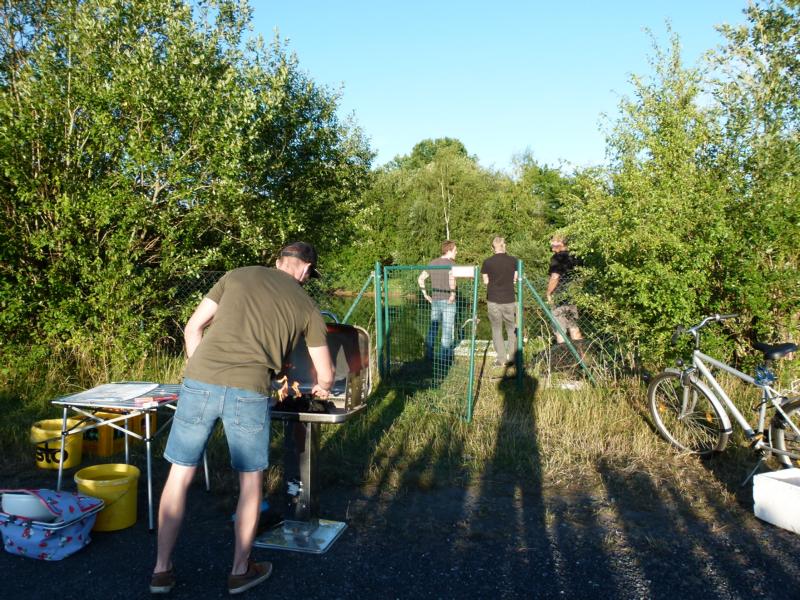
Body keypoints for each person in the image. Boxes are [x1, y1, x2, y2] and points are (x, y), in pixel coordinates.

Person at [149, 242, 335, 596]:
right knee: (250, 483)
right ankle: (239, 571)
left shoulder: (236, 275)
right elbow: (325, 373)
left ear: (278, 261)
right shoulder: (307, 306)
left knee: (179, 475)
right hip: (249, 389)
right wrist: (323, 389)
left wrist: (201, 374)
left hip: (200, 380)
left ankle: (161, 571)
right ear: (306, 269)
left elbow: (192, 329)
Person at [481, 236, 518, 367]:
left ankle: (501, 359)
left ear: (493, 248)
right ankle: (512, 358)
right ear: (504, 246)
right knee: (511, 329)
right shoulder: (513, 261)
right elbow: (515, 279)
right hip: (509, 299)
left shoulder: (487, 262)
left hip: (493, 299)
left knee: (496, 329)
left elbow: (486, 281)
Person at [418, 240, 458, 362]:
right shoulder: (452, 264)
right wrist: (452, 294)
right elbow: (452, 279)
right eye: (455, 250)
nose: (456, 252)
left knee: (433, 328)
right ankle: (444, 359)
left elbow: (420, 279)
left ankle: (428, 356)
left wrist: (425, 294)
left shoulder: (433, 263)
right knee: (447, 330)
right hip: (448, 301)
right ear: (449, 250)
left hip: (435, 301)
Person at [546, 235, 583, 344]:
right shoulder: (575, 256)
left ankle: (563, 352)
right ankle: (580, 351)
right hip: (574, 295)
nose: (552, 248)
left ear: (560, 243)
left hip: (559, 296)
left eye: (553, 244)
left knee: (560, 329)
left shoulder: (557, 258)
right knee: (573, 326)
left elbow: (555, 277)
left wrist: (549, 293)